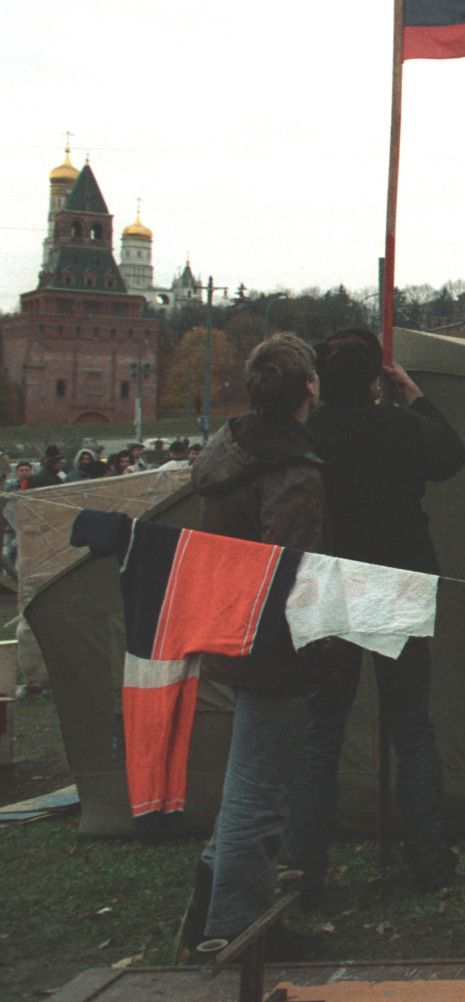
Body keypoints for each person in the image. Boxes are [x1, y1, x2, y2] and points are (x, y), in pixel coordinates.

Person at [289, 328, 465, 903]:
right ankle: (430, 860)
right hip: (397, 580)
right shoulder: (396, 426)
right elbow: (451, 456)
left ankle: (305, 869)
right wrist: (413, 397)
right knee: (410, 725)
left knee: (321, 733)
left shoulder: (307, 434)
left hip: (331, 581)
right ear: (374, 380)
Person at [178, 333, 331, 959]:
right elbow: (290, 569)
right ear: (308, 390)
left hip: (233, 629)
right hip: (271, 644)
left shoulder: (230, 453)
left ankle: (212, 912)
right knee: (260, 789)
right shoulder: (290, 468)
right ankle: (237, 928)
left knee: (249, 777)